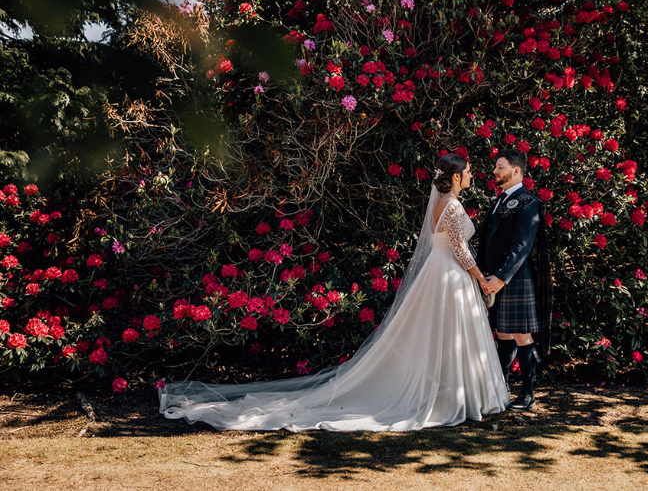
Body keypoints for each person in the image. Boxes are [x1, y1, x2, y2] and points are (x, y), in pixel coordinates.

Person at [159, 154, 509, 431]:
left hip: (440, 271)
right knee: (449, 334)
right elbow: (461, 251)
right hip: (450, 273)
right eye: (468, 173)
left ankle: (453, 394)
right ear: (455, 177)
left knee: (442, 336)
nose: (471, 176)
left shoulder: (439, 203)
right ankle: (455, 399)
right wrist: (480, 277)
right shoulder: (451, 205)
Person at [478, 149, 547, 411]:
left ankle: (527, 393)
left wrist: (501, 278)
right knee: (503, 332)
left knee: (521, 334)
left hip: (514, 278)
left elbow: (522, 246)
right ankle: (502, 386)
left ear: (515, 171)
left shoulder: (528, 202)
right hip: (495, 277)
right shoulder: (500, 200)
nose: (495, 171)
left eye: (500, 167)